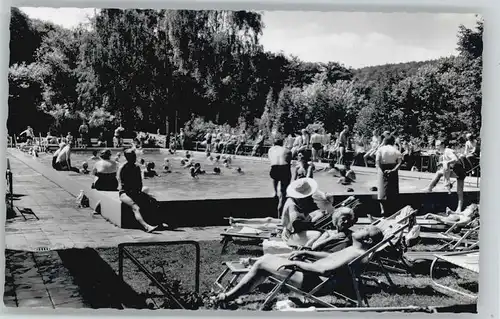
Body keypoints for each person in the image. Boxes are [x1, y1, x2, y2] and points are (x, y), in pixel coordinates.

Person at [211, 225, 384, 304]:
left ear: (368, 239)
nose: (360, 228)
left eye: (365, 229)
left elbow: (325, 268)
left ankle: (226, 297)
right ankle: (230, 296)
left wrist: (298, 265)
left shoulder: (356, 253)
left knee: (264, 262)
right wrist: (307, 253)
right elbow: (330, 257)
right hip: (315, 277)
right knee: (265, 264)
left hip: (315, 283)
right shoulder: (356, 250)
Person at [118, 149, 167, 233]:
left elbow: (139, 182)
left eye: (134, 156)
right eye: (131, 156)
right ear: (127, 157)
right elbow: (121, 183)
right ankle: (146, 227)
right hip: (124, 193)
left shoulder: (136, 167)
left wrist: (139, 192)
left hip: (135, 192)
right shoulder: (123, 168)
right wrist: (132, 192)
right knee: (136, 207)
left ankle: (159, 222)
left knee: (153, 201)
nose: (134, 158)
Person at [423, 140, 466, 214]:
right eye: (436, 145)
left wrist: (446, 163)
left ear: (442, 145)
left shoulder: (447, 151)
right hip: (460, 171)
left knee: (439, 173)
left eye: (438, 145)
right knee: (460, 192)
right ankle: (459, 209)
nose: (436, 147)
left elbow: (455, 159)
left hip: (459, 169)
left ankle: (431, 187)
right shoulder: (444, 153)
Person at [281, 178, 322, 248]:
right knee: (319, 234)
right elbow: (296, 225)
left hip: (291, 231)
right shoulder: (292, 206)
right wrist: (312, 224)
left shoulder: (292, 200)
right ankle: (306, 249)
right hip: (291, 235)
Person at [375, 135, 402, 217]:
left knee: (382, 190)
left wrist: (381, 169)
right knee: (392, 190)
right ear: (393, 142)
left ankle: (383, 210)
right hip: (393, 168)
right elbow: (399, 162)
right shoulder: (395, 150)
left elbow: (377, 161)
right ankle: (392, 210)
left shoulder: (381, 149)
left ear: (385, 141)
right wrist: (393, 170)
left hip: (382, 169)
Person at [268, 138, 293, 217]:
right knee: (283, 193)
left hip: (273, 170)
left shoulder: (270, 150)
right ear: (282, 144)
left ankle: (275, 192)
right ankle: (280, 213)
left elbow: (272, 161)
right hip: (284, 169)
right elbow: (288, 162)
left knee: (275, 175)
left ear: (274, 144)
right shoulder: (287, 150)